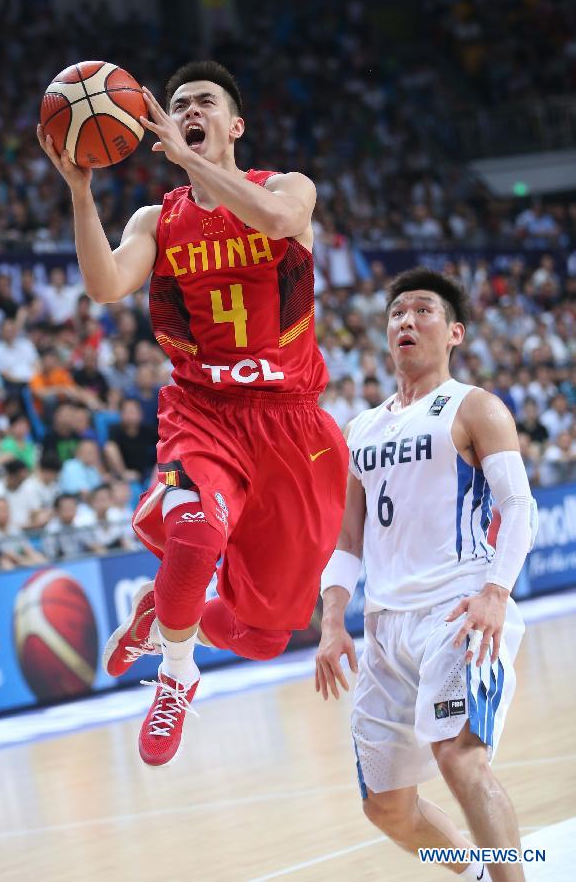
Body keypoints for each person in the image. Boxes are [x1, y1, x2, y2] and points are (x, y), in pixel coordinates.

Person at [37, 59, 347, 767]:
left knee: (268, 632)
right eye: (177, 106)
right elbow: (105, 284)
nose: (188, 112)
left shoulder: (286, 187)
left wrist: (187, 161)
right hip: (203, 413)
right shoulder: (157, 218)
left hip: (292, 426)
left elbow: (275, 220)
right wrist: (81, 194)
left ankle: (163, 617)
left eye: (203, 102)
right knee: (195, 529)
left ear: (233, 125)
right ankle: (177, 676)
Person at [315, 268, 537, 882]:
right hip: (385, 627)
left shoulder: (475, 407)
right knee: (385, 807)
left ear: (455, 332)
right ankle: (473, 871)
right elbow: (348, 538)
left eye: (422, 312)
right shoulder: (359, 429)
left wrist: (496, 591)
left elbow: (519, 507)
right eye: (396, 314)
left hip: (458, 612)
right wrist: (333, 621)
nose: (406, 322)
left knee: (461, 760)